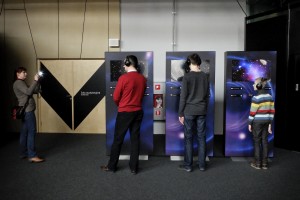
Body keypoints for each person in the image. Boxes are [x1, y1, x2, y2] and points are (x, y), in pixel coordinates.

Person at [101, 55, 147, 175]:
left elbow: (116, 97)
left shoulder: (123, 78)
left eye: (124, 64)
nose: (123, 66)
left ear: (127, 63)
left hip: (125, 112)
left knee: (118, 139)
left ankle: (112, 166)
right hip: (138, 112)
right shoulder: (143, 79)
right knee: (135, 139)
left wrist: (121, 104)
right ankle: (134, 168)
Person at [178, 53, 210, 172]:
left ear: (190, 63)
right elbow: (207, 96)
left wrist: (180, 113)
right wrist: (204, 108)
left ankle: (188, 165)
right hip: (201, 110)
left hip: (189, 111)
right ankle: (202, 165)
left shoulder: (187, 77)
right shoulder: (204, 76)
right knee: (201, 138)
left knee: (188, 138)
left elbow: (183, 97)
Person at [13, 67, 44, 163]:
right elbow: (29, 92)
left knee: (24, 132)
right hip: (28, 111)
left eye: (26, 72)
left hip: (26, 111)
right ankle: (32, 155)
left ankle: (23, 153)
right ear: (18, 74)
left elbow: (33, 91)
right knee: (31, 132)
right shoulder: (18, 83)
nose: (26, 74)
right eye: (23, 72)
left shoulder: (21, 83)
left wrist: (37, 82)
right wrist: (35, 80)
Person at [248, 77, 275, 170]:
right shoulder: (270, 97)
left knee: (257, 141)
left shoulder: (256, 98)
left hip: (257, 122)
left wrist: (249, 123)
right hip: (267, 122)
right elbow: (272, 112)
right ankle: (265, 164)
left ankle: (257, 163)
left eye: (254, 83)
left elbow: (252, 113)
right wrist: (270, 124)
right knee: (264, 141)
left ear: (258, 85)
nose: (253, 85)